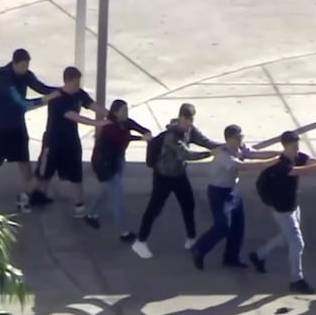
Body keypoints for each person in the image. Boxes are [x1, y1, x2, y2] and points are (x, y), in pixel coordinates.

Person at [0, 48, 61, 212]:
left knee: (23, 158)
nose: (25, 69)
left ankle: (32, 192)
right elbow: (23, 103)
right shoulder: (4, 80)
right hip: (2, 125)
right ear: (14, 63)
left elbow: (40, 87)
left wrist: (61, 90)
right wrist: (47, 99)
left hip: (17, 124)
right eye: (23, 65)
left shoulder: (25, 75)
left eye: (27, 65)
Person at [248, 131, 316, 294]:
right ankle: (296, 280)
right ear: (285, 146)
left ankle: (258, 255)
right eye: (293, 145)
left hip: (293, 207)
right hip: (282, 210)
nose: (296, 148)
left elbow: (313, 161)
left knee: (285, 237)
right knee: (297, 243)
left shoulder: (298, 156)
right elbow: (301, 171)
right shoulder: (281, 164)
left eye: (297, 144)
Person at [131, 103, 222, 260]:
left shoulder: (190, 130)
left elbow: (206, 141)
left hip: (179, 174)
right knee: (154, 209)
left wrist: (226, 146)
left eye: (191, 120)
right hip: (163, 176)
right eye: (187, 120)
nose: (189, 124)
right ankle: (140, 241)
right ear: (180, 117)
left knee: (188, 205)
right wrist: (209, 154)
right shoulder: (171, 136)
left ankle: (191, 238)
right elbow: (185, 155)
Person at [190, 124, 281, 270]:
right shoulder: (223, 154)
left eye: (241, 137)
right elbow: (244, 166)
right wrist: (272, 162)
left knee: (238, 226)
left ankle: (231, 258)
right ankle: (199, 249)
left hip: (232, 190)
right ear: (229, 139)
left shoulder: (240, 148)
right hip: (218, 193)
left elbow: (256, 154)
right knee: (222, 226)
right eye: (238, 137)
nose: (241, 140)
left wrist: (280, 154)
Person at [36, 66, 110, 218]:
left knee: (76, 173)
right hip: (54, 142)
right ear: (68, 81)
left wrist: (111, 115)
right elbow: (73, 116)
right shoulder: (57, 98)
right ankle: (31, 196)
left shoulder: (79, 94)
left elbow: (93, 105)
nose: (78, 85)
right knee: (44, 174)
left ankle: (79, 204)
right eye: (76, 82)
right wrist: (98, 124)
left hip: (71, 141)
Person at [84, 99, 152, 242]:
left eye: (126, 110)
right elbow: (123, 137)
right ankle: (124, 232)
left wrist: (146, 132)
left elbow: (138, 127)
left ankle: (90, 214)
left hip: (117, 161)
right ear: (115, 112)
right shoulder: (110, 127)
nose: (126, 113)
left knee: (105, 190)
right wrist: (142, 138)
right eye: (123, 111)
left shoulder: (125, 122)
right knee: (117, 198)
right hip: (105, 165)